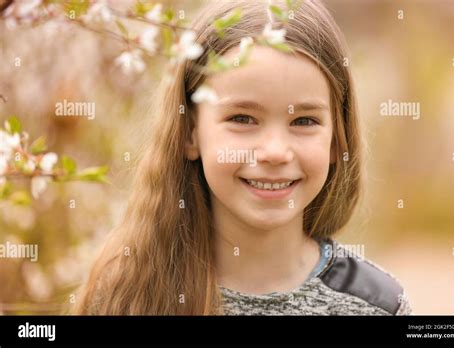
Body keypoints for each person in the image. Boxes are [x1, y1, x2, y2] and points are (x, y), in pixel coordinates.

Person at [74, 0, 412, 315]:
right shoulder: (126, 294)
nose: (275, 152)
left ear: (337, 140)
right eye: (242, 119)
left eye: (304, 121)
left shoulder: (377, 304)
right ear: (191, 132)